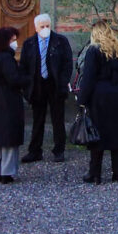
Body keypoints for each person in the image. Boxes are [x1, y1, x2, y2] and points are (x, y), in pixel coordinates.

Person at [77, 19, 118, 184]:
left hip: (101, 95)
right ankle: (117, 174)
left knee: (97, 135)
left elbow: (89, 78)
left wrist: (82, 99)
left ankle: (95, 174)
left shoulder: (94, 50)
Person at [20, 12, 74, 163]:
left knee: (58, 119)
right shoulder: (29, 43)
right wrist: (26, 85)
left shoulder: (60, 41)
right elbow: (24, 65)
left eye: (47, 26)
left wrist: (63, 82)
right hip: (37, 85)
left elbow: (67, 63)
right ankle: (35, 150)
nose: (45, 28)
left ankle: (59, 150)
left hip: (55, 85)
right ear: (36, 28)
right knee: (38, 119)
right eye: (42, 26)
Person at [0, 26, 30, 184]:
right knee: (9, 138)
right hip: (7, 100)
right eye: (13, 40)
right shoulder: (6, 58)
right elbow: (14, 79)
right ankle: (6, 173)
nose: (15, 43)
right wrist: (27, 78)